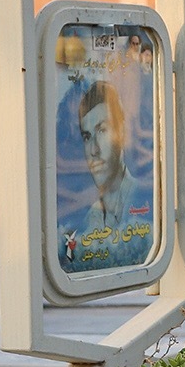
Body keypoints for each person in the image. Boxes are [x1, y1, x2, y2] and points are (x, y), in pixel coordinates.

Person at [62, 79, 153, 269]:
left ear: (122, 132)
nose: (93, 150)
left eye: (102, 130)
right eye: (87, 137)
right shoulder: (88, 221)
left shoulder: (144, 200)